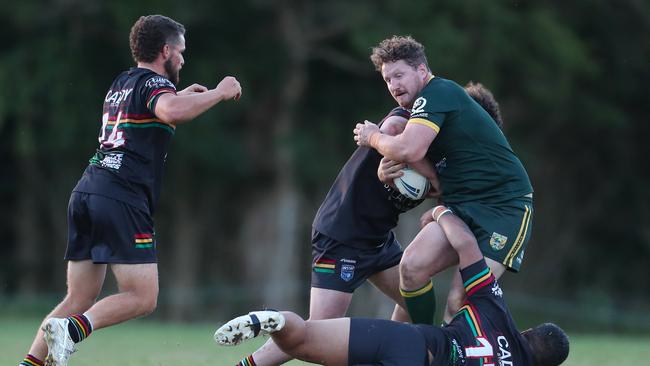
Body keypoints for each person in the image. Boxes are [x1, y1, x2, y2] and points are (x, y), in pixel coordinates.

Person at [19, 14, 242, 366]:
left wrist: (180, 95)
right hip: (121, 196)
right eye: (180, 51)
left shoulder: (123, 81)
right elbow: (169, 111)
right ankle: (73, 331)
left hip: (88, 190)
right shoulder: (155, 84)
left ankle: (29, 363)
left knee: (78, 297)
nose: (183, 59)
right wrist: (219, 92)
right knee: (143, 297)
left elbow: (148, 115)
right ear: (165, 50)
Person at [240, 82, 509, 366]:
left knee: (412, 295)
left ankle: (391, 353)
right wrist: (382, 146)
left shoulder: (445, 157)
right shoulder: (414, 122)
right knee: (314, 331)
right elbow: (394, 127)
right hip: (343, 234)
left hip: (378, 240)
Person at [214, 205, 569, 366]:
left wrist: (442, 213)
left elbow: (467, 248)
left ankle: (272, 320)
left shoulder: (497, 312)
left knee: (305, 338)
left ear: (527, 332)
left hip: (408, 340)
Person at [354, 36, 534, 326]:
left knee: (459, 301)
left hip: (504, 208)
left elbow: (409, 148)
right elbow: (433, 183)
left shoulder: (438, 93)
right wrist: (388, 175)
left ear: (422, 71)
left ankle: (460, 353)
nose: (394, 85)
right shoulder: (421, 114)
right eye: (388, 79)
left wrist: (373, 137)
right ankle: (421, 347)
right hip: (459, 208)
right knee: (411, 269)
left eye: (399, 75)